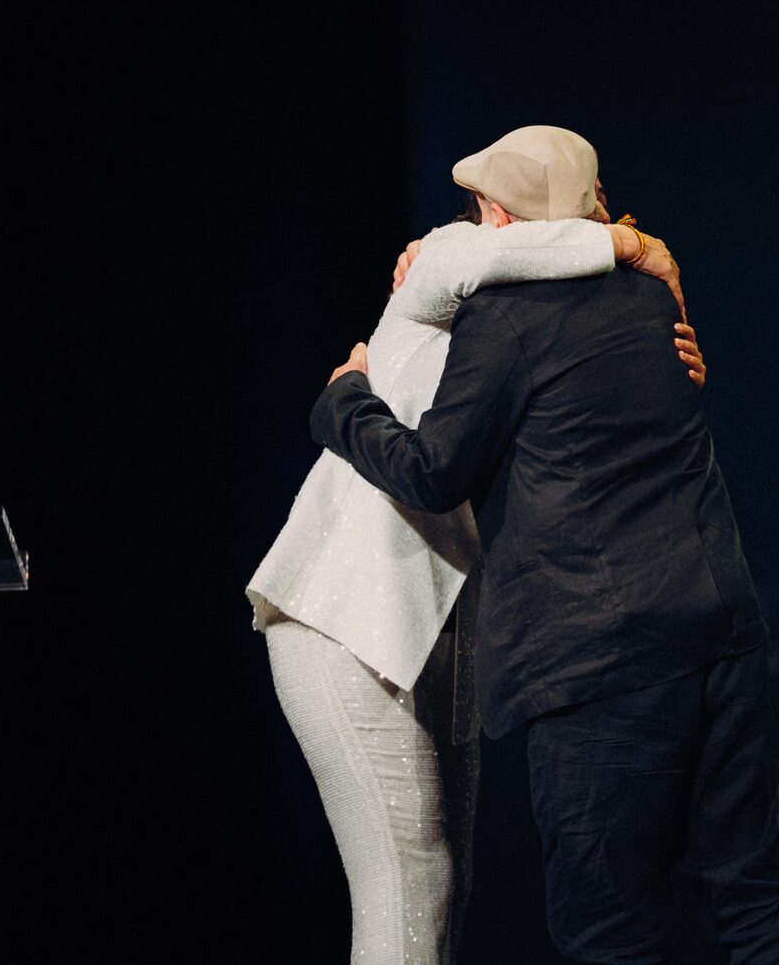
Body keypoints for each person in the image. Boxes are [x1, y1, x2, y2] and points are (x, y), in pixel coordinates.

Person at [312, 129, 779, 964]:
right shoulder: (652, 295)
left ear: (495, 216)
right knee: (755, 900)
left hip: (602, 661)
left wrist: (346, 401)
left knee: (611, 935)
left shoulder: (503, 317)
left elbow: (434, 472)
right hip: (719, 630)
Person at [249, 125, 701, 964]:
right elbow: (520, 254)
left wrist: (665, 348)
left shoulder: (542, 311)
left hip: (440, 620)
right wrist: (639, 247)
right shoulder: (449, 257)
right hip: (344, 613)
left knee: (442, 893)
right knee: (408, 883)